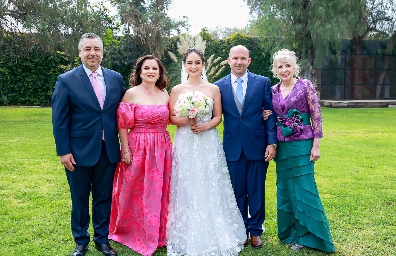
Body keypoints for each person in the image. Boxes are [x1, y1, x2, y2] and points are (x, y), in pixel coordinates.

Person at [167, 48, 246, 255]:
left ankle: (215, 228)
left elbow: (218, 116)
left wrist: (204, 126)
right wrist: (188, 120)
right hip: (185, 140)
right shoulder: (176, 90)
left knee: (209, 181)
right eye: (189, 63)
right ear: (184, 65)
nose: (193, 67)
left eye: (197, 63)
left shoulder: (213, 89)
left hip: (207, 140)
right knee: (186, 182)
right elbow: (171, 118)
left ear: (203, 65)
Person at [52, 33, 126, 256]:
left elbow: (123, 109)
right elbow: (59, 119)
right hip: (78, 151)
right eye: (87, 49)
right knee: (80, 198)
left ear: (102, 52)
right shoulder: (66, 80)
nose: (92, 53)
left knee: (104, 197)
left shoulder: (115, 79)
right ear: (80, 52)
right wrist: (64, 151)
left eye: (96, 49)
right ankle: (81, 241)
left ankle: (102, 240)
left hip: (108, 150)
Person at [270, 49, 335, 252]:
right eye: (280, 66)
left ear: (294, 67)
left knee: (305, 188)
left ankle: (313, 237)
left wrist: (316, 145)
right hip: (283, 147)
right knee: (286, 188)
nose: (284, 69)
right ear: (275, 70)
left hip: (303, 144)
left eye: (287, 65)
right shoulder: (273, 90)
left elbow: (316, 116)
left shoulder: (305, 85)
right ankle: (291, 233)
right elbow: (271, 116)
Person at [214, 45, 277, 249]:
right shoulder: (218, 86)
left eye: (243, 58)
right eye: (235, 58)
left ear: (249, 61)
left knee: (256, 190)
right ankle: (241, 230)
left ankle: (256, 230)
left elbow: (269, 113)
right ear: (229, 60)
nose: (239, 62)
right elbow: (215, 115)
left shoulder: (262, 82)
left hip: (258, 145)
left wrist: (271, 142)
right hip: (232, 146)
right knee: (237, 191)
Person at [108, 55, 172, 256]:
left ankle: (158, 232)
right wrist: (125, 150)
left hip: (161, 147)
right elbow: (122, 126)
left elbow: (172, 118)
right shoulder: (130, 94)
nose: (151, 71)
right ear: (140, 72)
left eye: (155, 68)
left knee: (159, 189)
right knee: (134, 190)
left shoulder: (165, 93)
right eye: (147, 68)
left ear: (160, 72)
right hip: (137, 147)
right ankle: (131, 230)